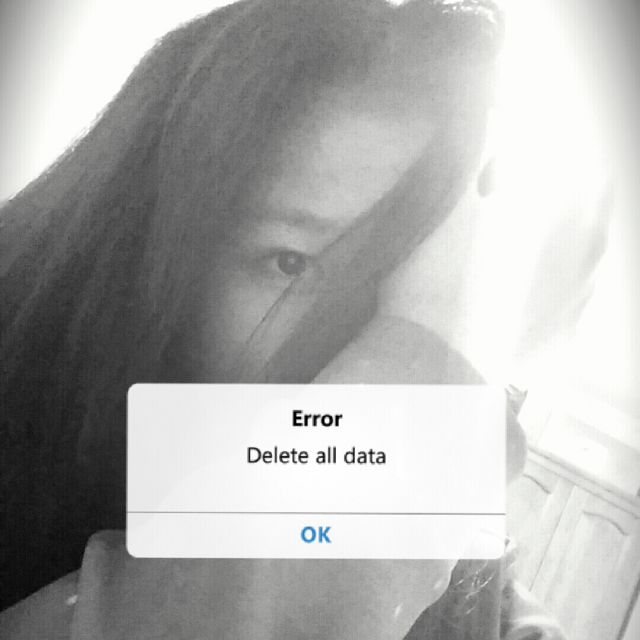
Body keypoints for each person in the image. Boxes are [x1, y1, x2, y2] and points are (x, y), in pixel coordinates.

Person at [1, 0, 596, 637]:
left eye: (429, 296)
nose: (365, 357)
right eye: (292, 263)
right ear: (141, 248)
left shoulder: (486, 603)